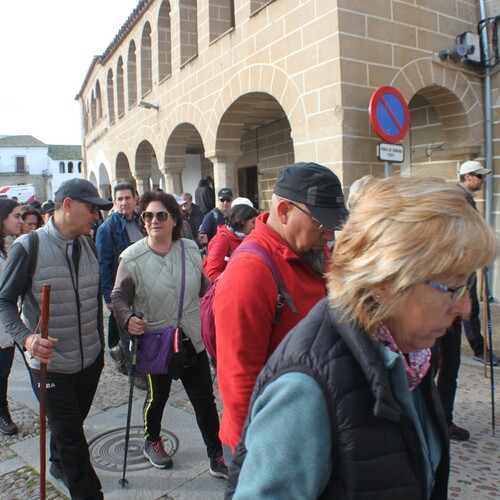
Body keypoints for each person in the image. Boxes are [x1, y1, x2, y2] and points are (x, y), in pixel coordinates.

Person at [226, 177, 499, 499]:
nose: (466, 309)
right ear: (384, 282)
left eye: (467, 286)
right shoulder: (306, 392)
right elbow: (239, 368)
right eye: (451, 288)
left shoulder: (411, 354)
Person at [214, 162, 348, 463]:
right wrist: (262, 455)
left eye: (333, 226)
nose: (328, 236)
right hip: (267, 444)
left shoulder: (312, 250)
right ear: (285, 211)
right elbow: (239, 382)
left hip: (307, 428)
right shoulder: (249, 272)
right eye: (321, 224)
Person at [0, 178, 112, 499]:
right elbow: (4, 301)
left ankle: (56, 460)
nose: (95, 215)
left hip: (90, 361)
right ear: (67, 205)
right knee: (74, 439)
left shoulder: (89, 244)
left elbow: (93, 303)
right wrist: (27, 339)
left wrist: (101, 349)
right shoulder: (28, 247)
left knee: (70, 427)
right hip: (52, 368)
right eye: (91, 208)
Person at [111, 191, 228, 479]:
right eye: (147, 216)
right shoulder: (132, 257)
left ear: (174, 219)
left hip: (191, 338)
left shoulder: (189, 249)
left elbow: (204, 288)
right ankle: (152, 441)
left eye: (161, 214)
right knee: (157, 396)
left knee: (203, 398)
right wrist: (128, 320)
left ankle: (216, 454)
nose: (153, 220)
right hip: (155, 341)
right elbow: (118, 297)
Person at [96, 182, 145, 381]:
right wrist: (108, 296)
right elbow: (104, 264)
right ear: (115, 203)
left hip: (142, 285)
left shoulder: (142, 222)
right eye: (120, 199)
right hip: (121, 288)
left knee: (140, 326)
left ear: (136, 199)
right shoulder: (108, 228)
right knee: (126, 330)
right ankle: (135, 370)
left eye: (128, 198)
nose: (124, 202)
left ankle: (135, 359)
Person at [457, 160, 499, 365]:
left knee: (466, 304)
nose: (483, 180)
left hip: (466, 259)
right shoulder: (459, 198)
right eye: (480, 176)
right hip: (460, 262)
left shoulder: (466, 198)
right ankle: (479, 349)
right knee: (469, 305)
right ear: (468, 177)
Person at [0, 199, 23, 435]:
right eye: (15, 216)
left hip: (8, 324)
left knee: (3, 371)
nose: (20, 220)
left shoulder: (10, 245)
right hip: (1, 323)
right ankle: (2, 412)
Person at [203, 204, 258, 281]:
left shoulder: (243, 238)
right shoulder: (222, 239)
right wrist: (235, 281)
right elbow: (211, 274)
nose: (256, 226)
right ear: (242, 221)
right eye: (253, 222)